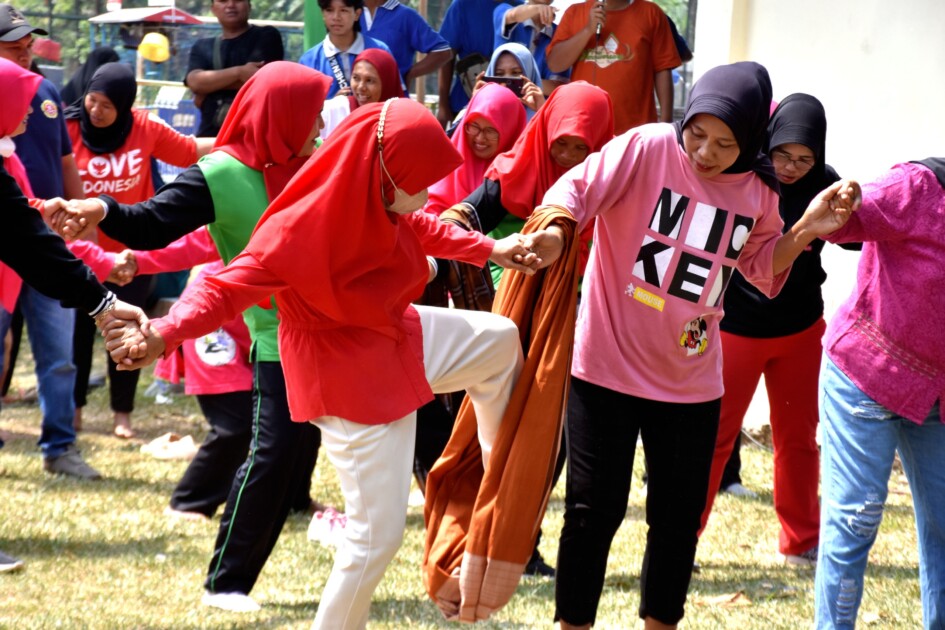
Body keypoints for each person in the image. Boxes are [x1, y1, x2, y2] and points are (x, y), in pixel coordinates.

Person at [103, 97, 540, 629]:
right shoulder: (298, 227)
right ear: (383, 169)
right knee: (375, 538)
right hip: (345, 376)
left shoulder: (375, 191)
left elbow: (419, 224)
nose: (426, 194)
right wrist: (162, 335)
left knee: (498, 340)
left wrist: (491, 250)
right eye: (419, 181)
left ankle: (496, 495)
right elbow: (222, 288)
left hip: (392, 335)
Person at [524, 61, 860, 629]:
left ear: (752, 137)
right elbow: (577, 189)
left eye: (725, 142)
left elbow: (759, 266)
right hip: (604, 369)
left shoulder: (759, 192)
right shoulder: (648, 147)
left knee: (677, 520)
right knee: (590, 514)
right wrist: (556, 235)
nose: (705, 152)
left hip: (689, 382)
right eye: (697, 133)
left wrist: (804, 232)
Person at [49, 62, 343, 614]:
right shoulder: (223, 173)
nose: (320, 127)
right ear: (282, 116)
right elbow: (154, 221)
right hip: (277, 338)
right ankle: (225, 583)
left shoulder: (309, 165)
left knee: (306, 453)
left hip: (333, 332)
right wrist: (102, 211)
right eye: (312, 115)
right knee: (272, 454)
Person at [0, 54, 149, 575]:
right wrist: (105, 301)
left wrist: (40, 212)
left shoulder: (7, 154)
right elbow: (27, 242)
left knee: (59, 360)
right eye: (21, 102)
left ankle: (60, 443)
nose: (33, 111)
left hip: (29, 270)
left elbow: (22, 228)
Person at [700, 93, 859, 566]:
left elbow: (854, 242)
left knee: (798, 440)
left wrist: (856, 205)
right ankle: (683, 535)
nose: (791, 168)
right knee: (714, 439)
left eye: (804, 159)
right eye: (783, 155)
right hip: (737, 330)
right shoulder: (744, 178)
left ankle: (801, 541)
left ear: (819, 157)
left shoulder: (826, 185)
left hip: (801, 332)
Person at [813, 157, 944, 629]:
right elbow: (844, 220)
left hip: (937, 398)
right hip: (866, 380)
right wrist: (847, 201)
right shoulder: (918, 186)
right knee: (856, 523)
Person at [65, 62, 210, 438]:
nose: (95, 111)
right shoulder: (67, 129)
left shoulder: (144, 127)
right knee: (79, 335)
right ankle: (75, 410)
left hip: (132, 259)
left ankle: (122, 415)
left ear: (125, 107)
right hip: (80, 256)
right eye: (91, 101)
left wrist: (247, 138)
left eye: (106, 106)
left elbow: (189, 151)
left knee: (128, 332)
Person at [0, 3, 101, 478]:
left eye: (28, 48)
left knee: (59, 354)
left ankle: (60, 446)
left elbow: (65, 164)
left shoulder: (43, 93)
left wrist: (85, 226)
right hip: (10, 245)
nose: (26, 58)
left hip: (46, 243)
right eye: (13, 50)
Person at [546, 0, 681, 135]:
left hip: (635, 132)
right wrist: (588, 30)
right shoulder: (575, 12)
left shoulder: (651, 13)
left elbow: (663, 69)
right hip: (582, 129)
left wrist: (666, 123)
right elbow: (555, 64)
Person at [423, 81, 525, 216]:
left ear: (511, 132)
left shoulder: (522, 182)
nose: (480, 138)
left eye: (491, 131)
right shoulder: (441, 170)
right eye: (474, 126)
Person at [185, 0, 283, 138]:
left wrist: (209, 87)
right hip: (211, 138)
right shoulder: (202, 46)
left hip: (254, 137)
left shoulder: (267, 36)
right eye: (223, 0)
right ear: (213, 8)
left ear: (249, 5)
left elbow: (259, 79)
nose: (230, 5)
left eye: (237, 0)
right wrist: (239, 72)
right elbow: (195, 82)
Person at [299, 0, 391, 99]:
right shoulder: (309, 60)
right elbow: (304, 106)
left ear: (357, 13)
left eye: (343, 10)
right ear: (323, 14)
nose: (336, 17)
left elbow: (394, 95)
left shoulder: (380, 51)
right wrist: (331, 107)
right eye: (329, 10)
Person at [358, 0, 451, 91]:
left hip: (393, 98)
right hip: (356, 97)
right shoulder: (349, 13)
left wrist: (409, 74)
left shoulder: (405, 16)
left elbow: (442, 51)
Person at [436, 0, 497, 127]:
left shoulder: (520, 8)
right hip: (464, 104)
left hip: (504, 108)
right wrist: (443, 106)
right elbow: (446, 56)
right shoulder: (463, 5)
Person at [320, 47, 403, 139]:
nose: (360, 87)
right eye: (356, 78)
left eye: (369, 80)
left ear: (388, 83)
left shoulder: (401, 122)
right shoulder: (333, 112)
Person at [492, 0, 570, 94]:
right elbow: (513, 15)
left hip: (536, 107)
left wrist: (519, 83)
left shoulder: (560, 35)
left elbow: (557, 87)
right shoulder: (503, 10)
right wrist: (538, 8)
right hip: (500, 99)